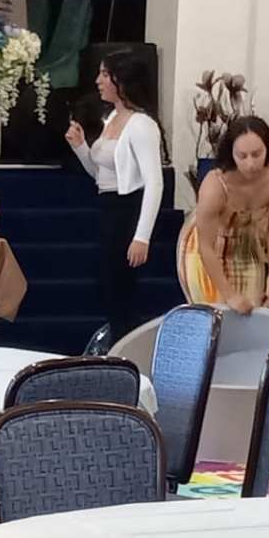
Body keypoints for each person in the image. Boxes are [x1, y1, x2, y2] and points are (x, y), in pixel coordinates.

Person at [66, 47, 167, 340]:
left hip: (127, 213)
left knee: (122, 290)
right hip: (108, 208)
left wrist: (141, 236)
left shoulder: (142, 125)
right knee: (109, 288)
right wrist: (81, 147)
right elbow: (103, 176)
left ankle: (126, 350)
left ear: (121, 80)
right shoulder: (111, 119)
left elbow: (154, 182)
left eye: (105, 74)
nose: (98, 80)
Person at [178, 118, 269, 311]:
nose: (250, 163)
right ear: (231, 154)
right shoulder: (215, 185)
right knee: (212, 318)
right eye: (242, 156)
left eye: (257, 154)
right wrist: (229, 295)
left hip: (247, 240)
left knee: (250, 311)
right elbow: (205, 247)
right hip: (203, 247)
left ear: (268, 148)